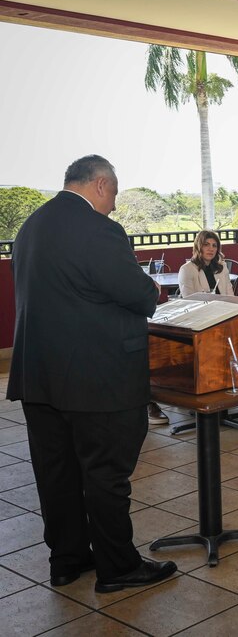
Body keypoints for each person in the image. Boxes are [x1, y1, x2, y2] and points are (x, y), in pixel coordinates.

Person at [7, 155, 177, 593]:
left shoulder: (30, 227)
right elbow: (138, 295)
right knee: (105, 473)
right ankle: (118, 566)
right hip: (96, 378)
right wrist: (150, 287)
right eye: (115, 195)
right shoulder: (100, 230)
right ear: (100, 185)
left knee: (56, 473)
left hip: (38, 376)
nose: (115, 206)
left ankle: (67, 560)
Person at [178, 229, 234, 298]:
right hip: (199, 308)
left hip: (224, 307)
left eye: (214, 245)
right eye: (206, 245)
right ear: (198, 247)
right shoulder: (187, 269)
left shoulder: (222, 267)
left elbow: (231, 296)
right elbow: (189, 301)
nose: (211, 249)